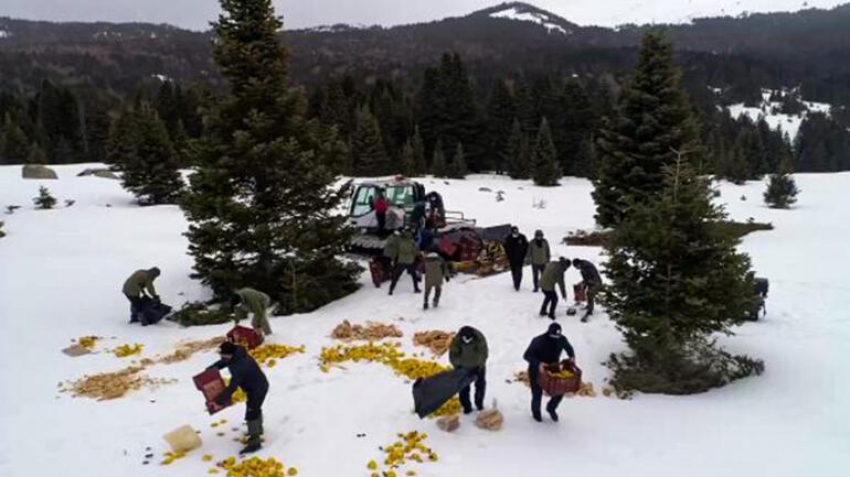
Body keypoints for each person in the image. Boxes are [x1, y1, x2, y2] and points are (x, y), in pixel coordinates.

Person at [208, 342, 269, 455]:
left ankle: (255, 443)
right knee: (254, 408)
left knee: (251, 413)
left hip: (258, 389)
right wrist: (212, 369)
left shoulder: (240, 366)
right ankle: (257, 429)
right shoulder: (236, 355)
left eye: (224, 355)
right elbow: (223, 362)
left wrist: (217, 400)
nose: (222, 358)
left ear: (230, 354)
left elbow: (232, 387)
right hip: (254, 386)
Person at [523, 323, 575, 422]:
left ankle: (551, 408)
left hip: (553, 367)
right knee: (537, 393)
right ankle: (536, 413)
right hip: (537, 369)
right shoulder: (538, 340)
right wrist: (538, 364)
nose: (555, 338)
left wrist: (571, 356)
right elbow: (527, 355)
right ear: (548, 333)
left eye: (557, 336)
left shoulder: (562, 339)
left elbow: (568, 348)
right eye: (553, 336)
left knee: (560, 390)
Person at [449, 326, 488, 414]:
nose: (467, 340)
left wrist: (479, 366)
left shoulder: (479, 338)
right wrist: (458, 366)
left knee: (480, 385)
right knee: (463, 387)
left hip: (477, 367)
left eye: (469, 339)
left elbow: (483, 353)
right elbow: (453, 355)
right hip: (463, 368)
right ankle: (466, 407)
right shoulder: (457, 340)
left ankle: (479, 404)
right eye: (465, 339)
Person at [389, 228, 421, 295]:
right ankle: (416, 288)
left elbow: (395, 250)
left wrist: (392, 259)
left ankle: (391, 290)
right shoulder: (411, 240)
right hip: (410, 260)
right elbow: (414, 251)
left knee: (396, 276)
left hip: (401, 260)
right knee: (414, 275)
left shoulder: (399, 240)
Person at [502, 226, 529, 291]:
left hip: (520, 258)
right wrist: (508, 256)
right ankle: (515, 282)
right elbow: (505, 247)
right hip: (512, 259)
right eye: (514, 231)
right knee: (514, 271)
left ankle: (518, 284)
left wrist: (525, 255)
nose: (516, 233)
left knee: (519, 271)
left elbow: (526, 246)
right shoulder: (509, 238)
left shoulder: (522, 237)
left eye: (516, 231)